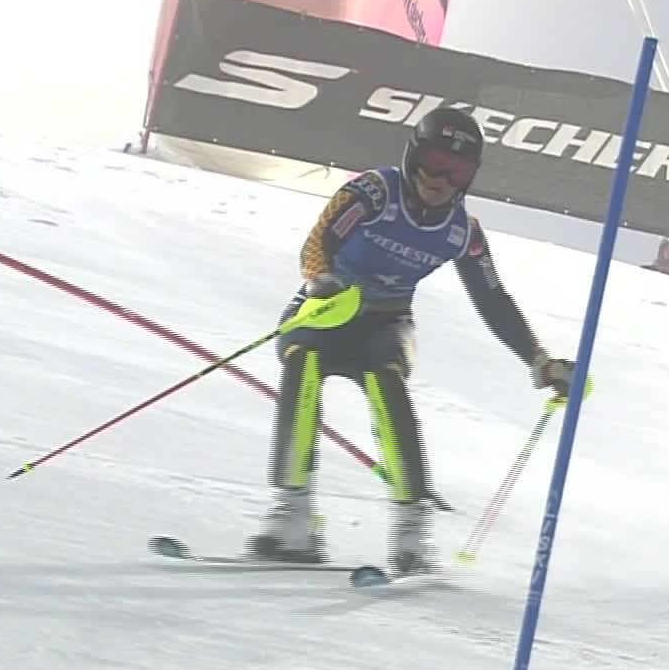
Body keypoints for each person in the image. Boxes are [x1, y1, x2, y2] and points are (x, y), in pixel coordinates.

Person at [247, 106, 577, 574]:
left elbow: (492, 299)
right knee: (303, 361)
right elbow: (319, 240)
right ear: (412, 156)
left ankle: (411, 532)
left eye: (455, 171)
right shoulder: (374, 191)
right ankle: (293, 516)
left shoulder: (462, 232)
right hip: (329, 306)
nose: (440, 180)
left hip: (387, 321)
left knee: (386, 377)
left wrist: (539, 360)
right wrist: (321, 280)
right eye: (433, 164)